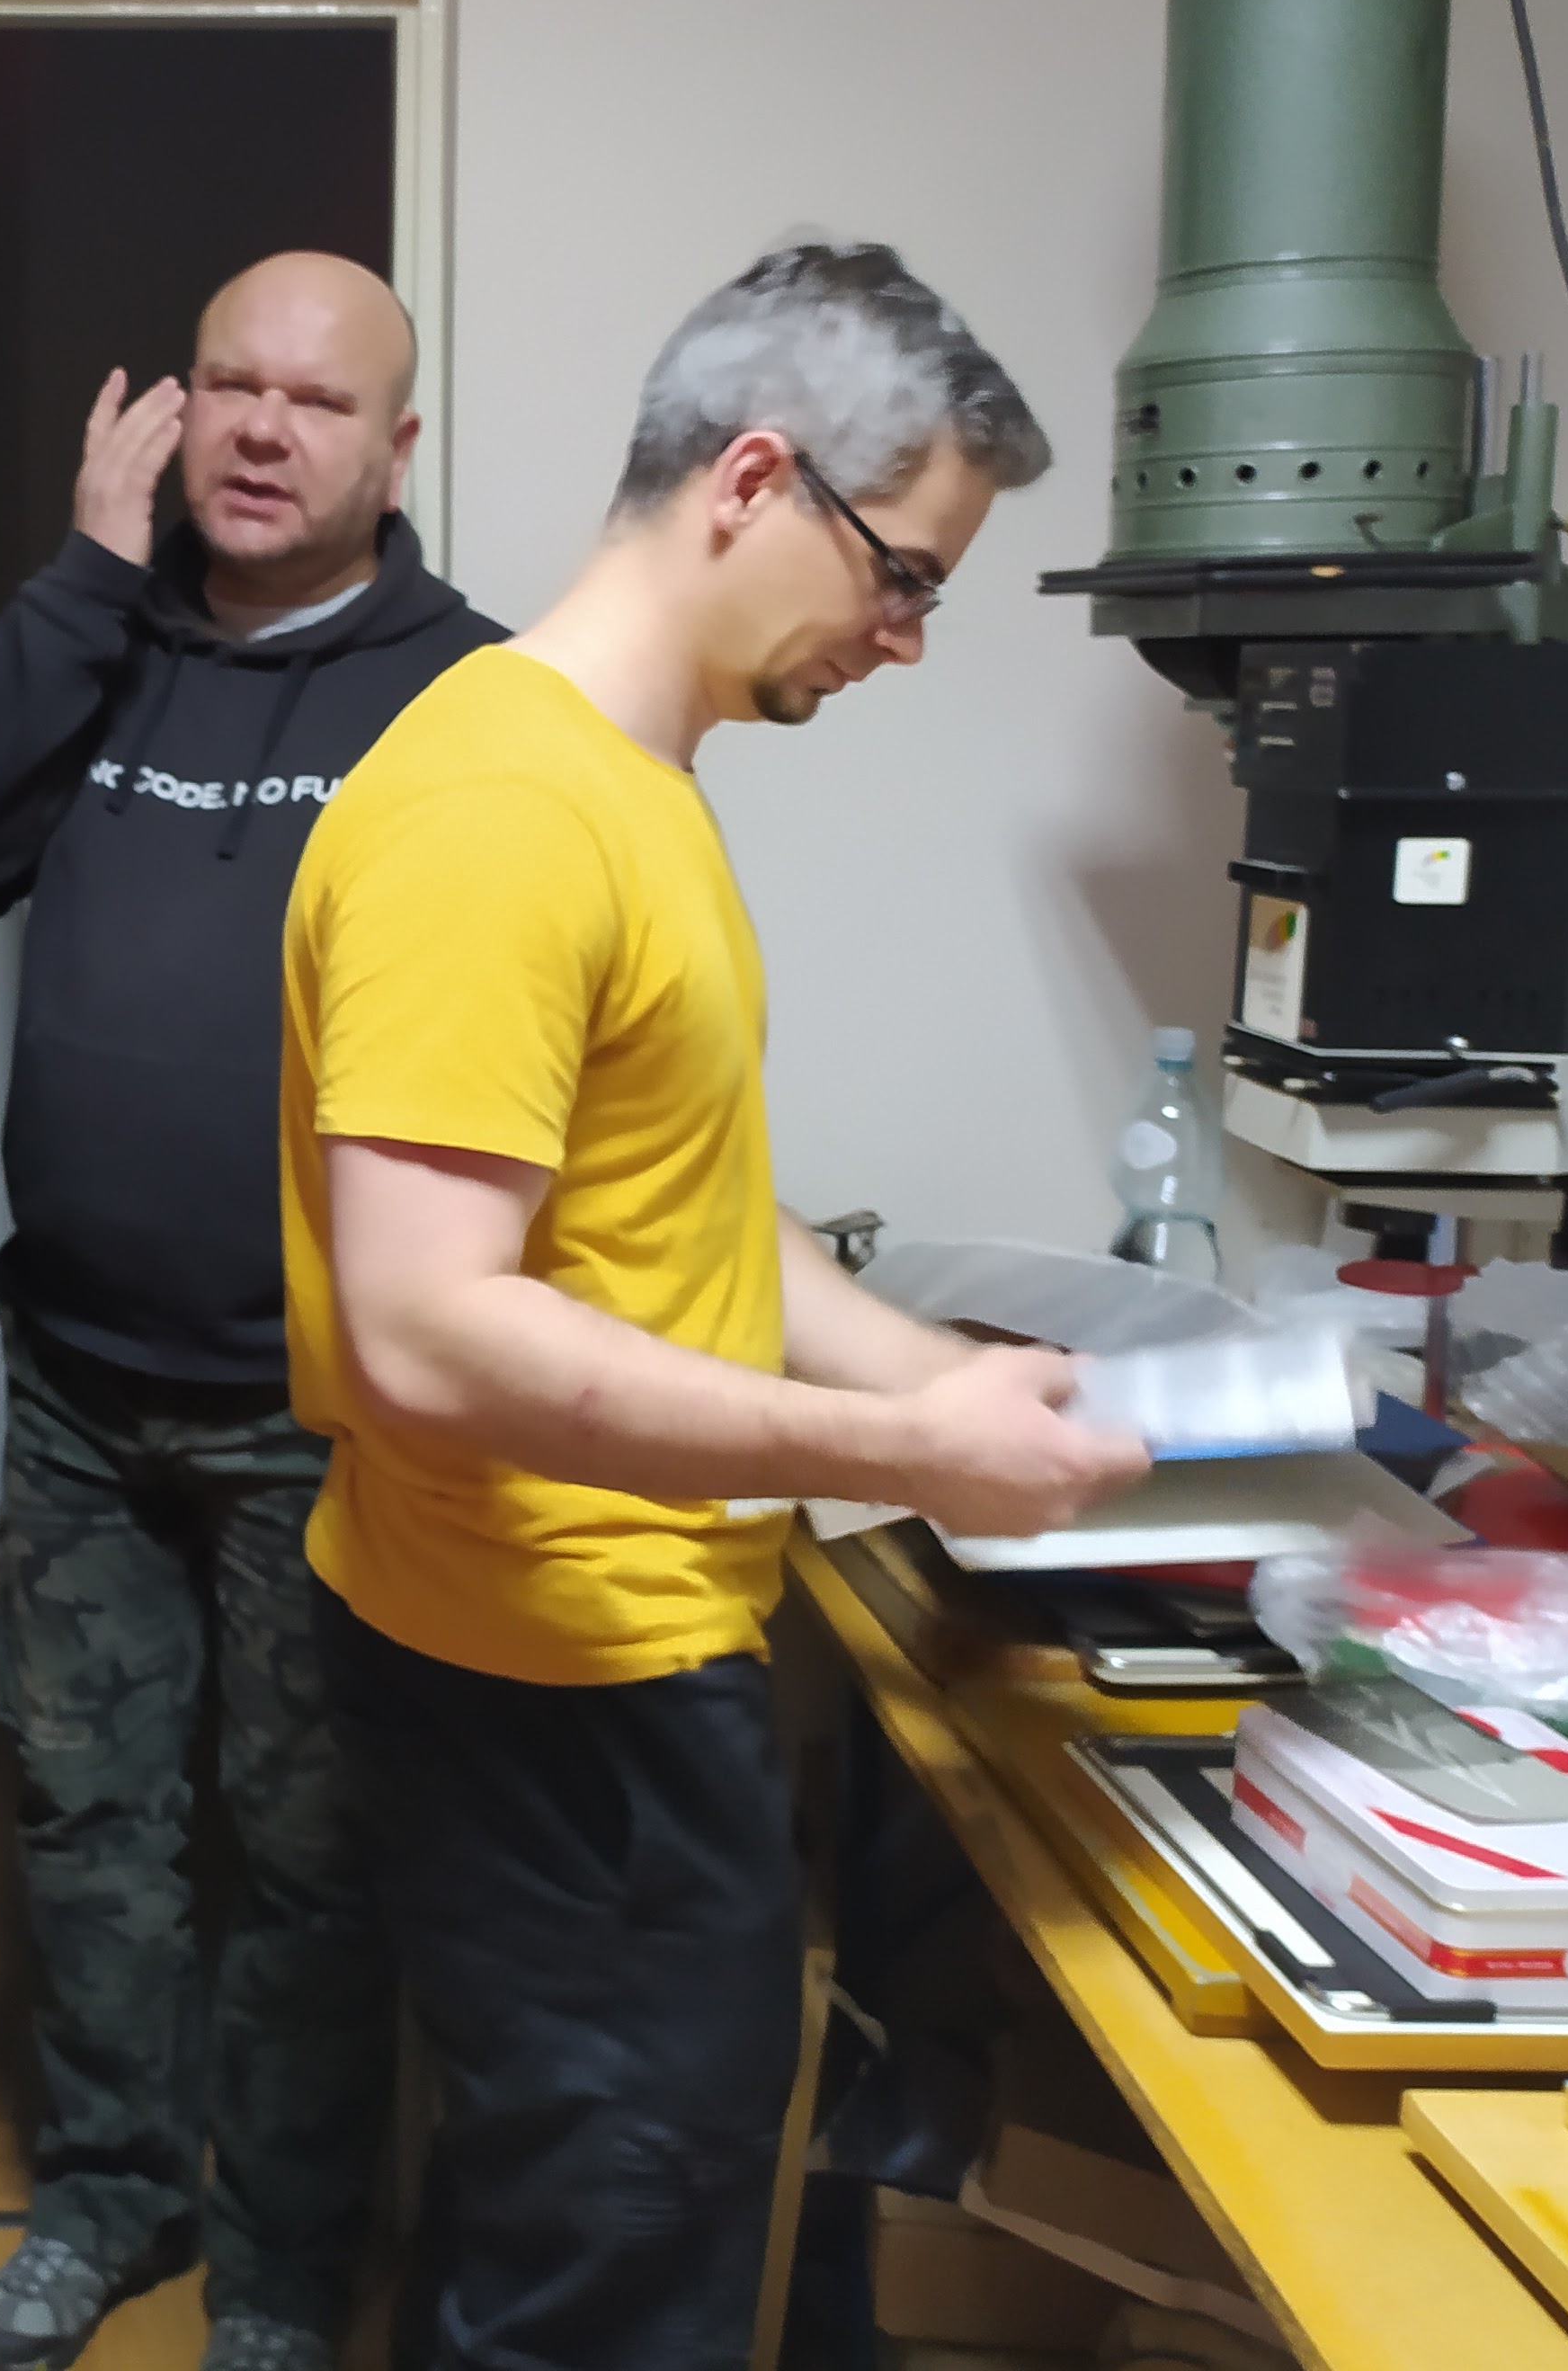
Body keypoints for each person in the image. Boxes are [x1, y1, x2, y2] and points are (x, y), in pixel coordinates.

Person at [278, 244, 1152, 2370]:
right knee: (605, 2266)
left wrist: (946, 1381)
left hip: (607, 1651)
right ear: (753, 479)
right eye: (903, 572)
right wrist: (904, 1450)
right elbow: (427, 1329)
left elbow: (686, 1219)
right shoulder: (500, 810)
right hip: (546, 1679)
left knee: (606, 2225)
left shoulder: (624, 781)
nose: (906, 635)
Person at [0, 254, 498, 2371]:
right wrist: (79, 571)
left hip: (314, 1403)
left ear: (393, 448)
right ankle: (106, 2199)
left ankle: (282, 2264)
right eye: (227, 383)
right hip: (70, 1381)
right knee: (86, 1824)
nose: (258, 428)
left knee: (315, 1859)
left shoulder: (469, 697)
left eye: (313, 401)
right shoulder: (103, 642)